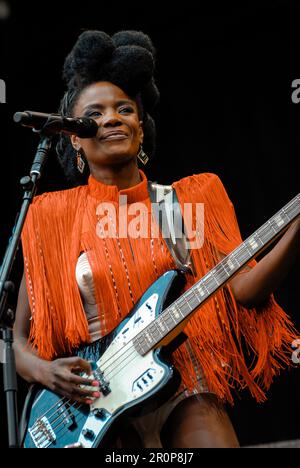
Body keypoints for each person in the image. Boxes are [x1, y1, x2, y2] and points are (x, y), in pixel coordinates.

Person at [14, 30, 300, 448]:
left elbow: (243, 291)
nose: (113, 118)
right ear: (74, 136)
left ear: (141, 129)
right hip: (93, 400)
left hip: (181, 380)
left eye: (125, 109)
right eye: (95, 113)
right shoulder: (51, 217)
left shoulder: (182, 201)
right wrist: (43, 372)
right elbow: (16, 341)